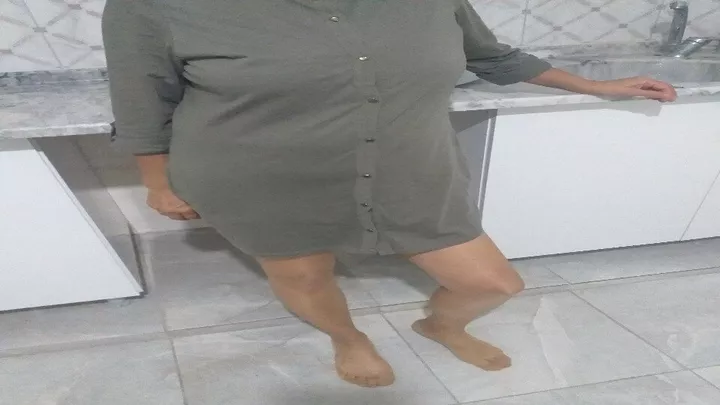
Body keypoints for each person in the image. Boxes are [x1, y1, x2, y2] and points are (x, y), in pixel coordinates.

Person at [102, 0, 677, 388]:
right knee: (304, 276)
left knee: (493, 282)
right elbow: (142, 100)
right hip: (261, 176)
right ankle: (348, 338)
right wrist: (157, 181)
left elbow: (491, 56)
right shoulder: (153, 5)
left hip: (409, 169)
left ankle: (442, 324)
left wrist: (595, 85)